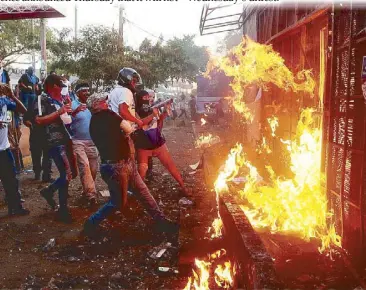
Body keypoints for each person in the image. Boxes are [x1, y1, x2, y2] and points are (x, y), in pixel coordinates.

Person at [82, 92, 179, 236]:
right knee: (121, 201)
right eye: (104, 102)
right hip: (120, 166)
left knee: (141, 193)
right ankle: (91, 223)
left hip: (113, 165)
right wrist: (150, 118)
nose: (107, 103)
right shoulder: (110, 115)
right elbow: (129, 129)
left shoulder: (93, 123)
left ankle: (161, 221)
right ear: (97, 106)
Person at [33, 74, 74, 223]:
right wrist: (59, 112)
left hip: (66, 139)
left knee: (68, 174)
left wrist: (71, 111)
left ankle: (55, 198)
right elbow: (38, 120)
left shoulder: (59, 99)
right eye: (60, 87)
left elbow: (64, 119)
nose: (62, 90)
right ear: (53, 86)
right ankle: (60, 206)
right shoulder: (41, 99)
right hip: (52, 141)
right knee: (67, 174)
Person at [135, 90, 190, 197]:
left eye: (150, 97)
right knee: (142, 171)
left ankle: (183, 187)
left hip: (157, 143)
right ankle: (138, 194)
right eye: (146, 97)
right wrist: (153, 115)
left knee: (170, 165)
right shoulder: (135, 111)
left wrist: (165, 110)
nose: (149, 99)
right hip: (143, 145)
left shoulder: (152, 108)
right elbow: (140, 124)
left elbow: (159, 122)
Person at [0, 83, 29, 216]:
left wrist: (12, 96)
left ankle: (15, 208)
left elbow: (23, 110)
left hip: (4, 149)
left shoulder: (5, 102)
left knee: (11, 180)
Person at [70, 82, 98, 205]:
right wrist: (75, 111)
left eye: (88, 90)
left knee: (93, 169)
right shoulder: (72, 104)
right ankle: (91, 195)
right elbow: (66, 120)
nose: (87, 93)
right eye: (83, 91)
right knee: (85, 166)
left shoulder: (91, 106)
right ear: (77, 93)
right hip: (78, 141)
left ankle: (86, 192)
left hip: (92, 141)